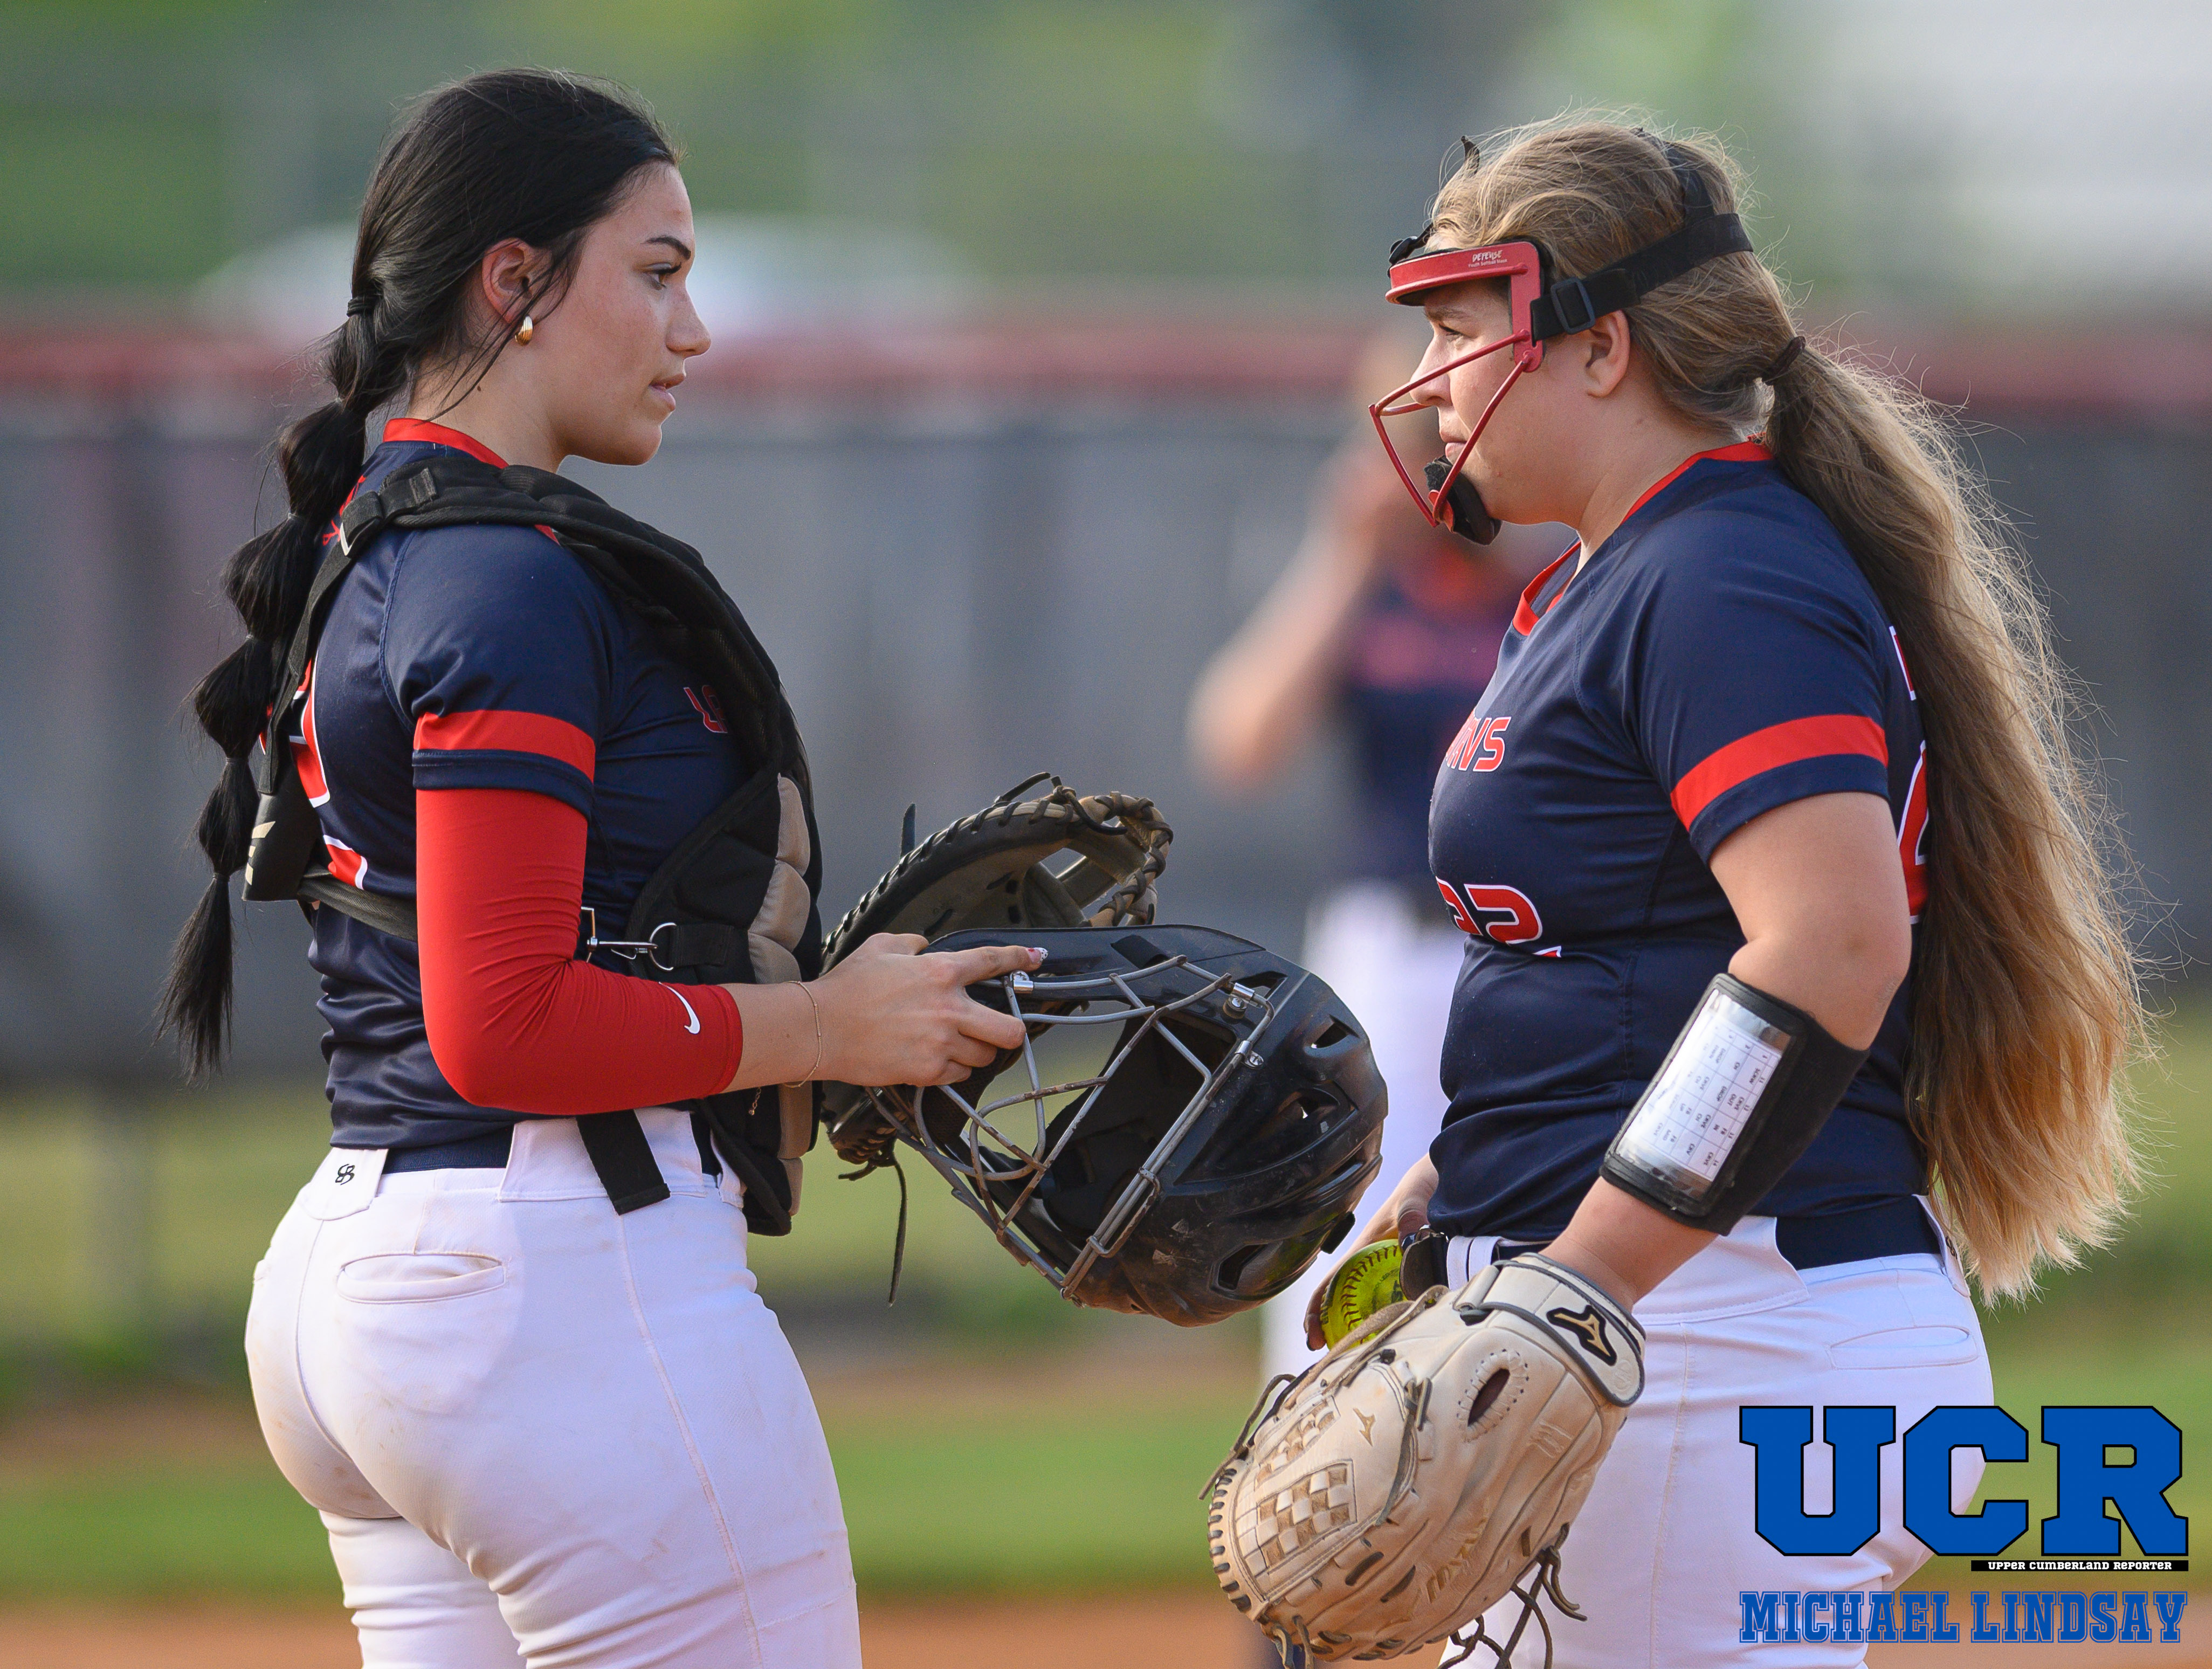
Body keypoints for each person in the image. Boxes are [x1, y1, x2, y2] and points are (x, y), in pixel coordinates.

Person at [161, 71, 1039, 1669]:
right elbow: (504, 1026)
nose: (691, 331)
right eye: (655, 272)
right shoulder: (500, 579)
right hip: (550, 1284)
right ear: (514, 280)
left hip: (381, 1275)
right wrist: (831, 1028)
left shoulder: (386, 542)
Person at [1303, 119, 2142, 1666]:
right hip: (1697, 1314)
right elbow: (1641, 958)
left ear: (1599, 347)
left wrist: (1580, 1279)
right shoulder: (1628, 574)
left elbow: (1831, 942)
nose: (1431, 378)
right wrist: (1461, 1188)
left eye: (1461, 326)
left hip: (1719, 1325)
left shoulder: (1720, 577)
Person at [1186, 334, 1534, 1387]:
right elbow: (1238, 742)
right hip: (1386, 941)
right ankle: (1311, 1443)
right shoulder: (1368, 590)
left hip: (1517, 953)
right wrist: (1342, 552)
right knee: (1337, 1217)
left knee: (1506, 1237)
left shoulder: (1537, 587)